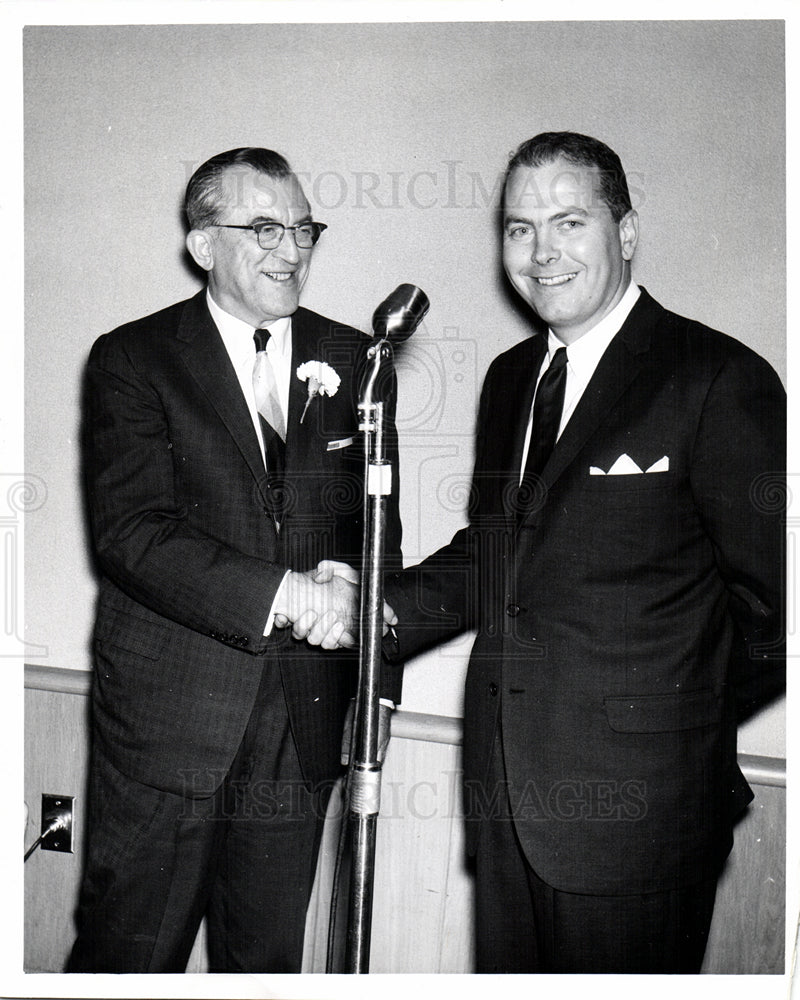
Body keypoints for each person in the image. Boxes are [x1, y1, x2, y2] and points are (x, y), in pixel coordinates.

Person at [382, 132, 785, 973]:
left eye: (569, 221)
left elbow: (773, 611)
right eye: (520, 228)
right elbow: (496, 558)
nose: (541, 252)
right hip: (504, 805)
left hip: (642, 816)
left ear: (627, 231)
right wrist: (372, 611)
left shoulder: (716, 376)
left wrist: (659, 735)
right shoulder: (509, 378)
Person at [68, 147, 402, 973]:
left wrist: (378, 692)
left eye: (302, 228)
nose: (291, 250)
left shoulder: (361, 361)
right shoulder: (133, 359)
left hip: (305, 724)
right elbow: (133, 534)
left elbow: (380, 542)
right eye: (263, 228)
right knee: (127, 957)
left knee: (265, 966)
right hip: (167, 726)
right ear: (203, 244)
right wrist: (288, 593)